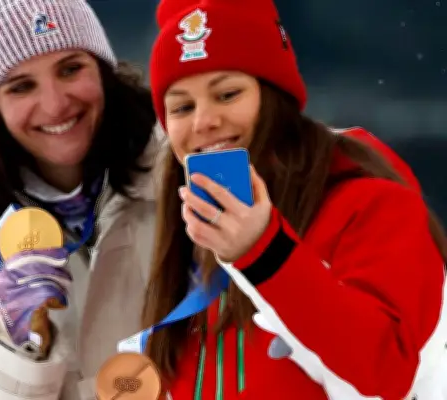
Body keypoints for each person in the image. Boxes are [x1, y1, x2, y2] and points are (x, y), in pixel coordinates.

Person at [140, 0, 447, 398]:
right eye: (182, 107)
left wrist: (265, 253)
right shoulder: (186, 232)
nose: (203, 121)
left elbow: (387, 372)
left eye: (228, 94)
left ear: (275, 97)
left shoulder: (372, 206)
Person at [0, 0, 164, 398]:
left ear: (102, 69)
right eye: (21, 86)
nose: (55, 104)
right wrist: (11, 350)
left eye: (70, 69)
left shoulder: (182, 182)